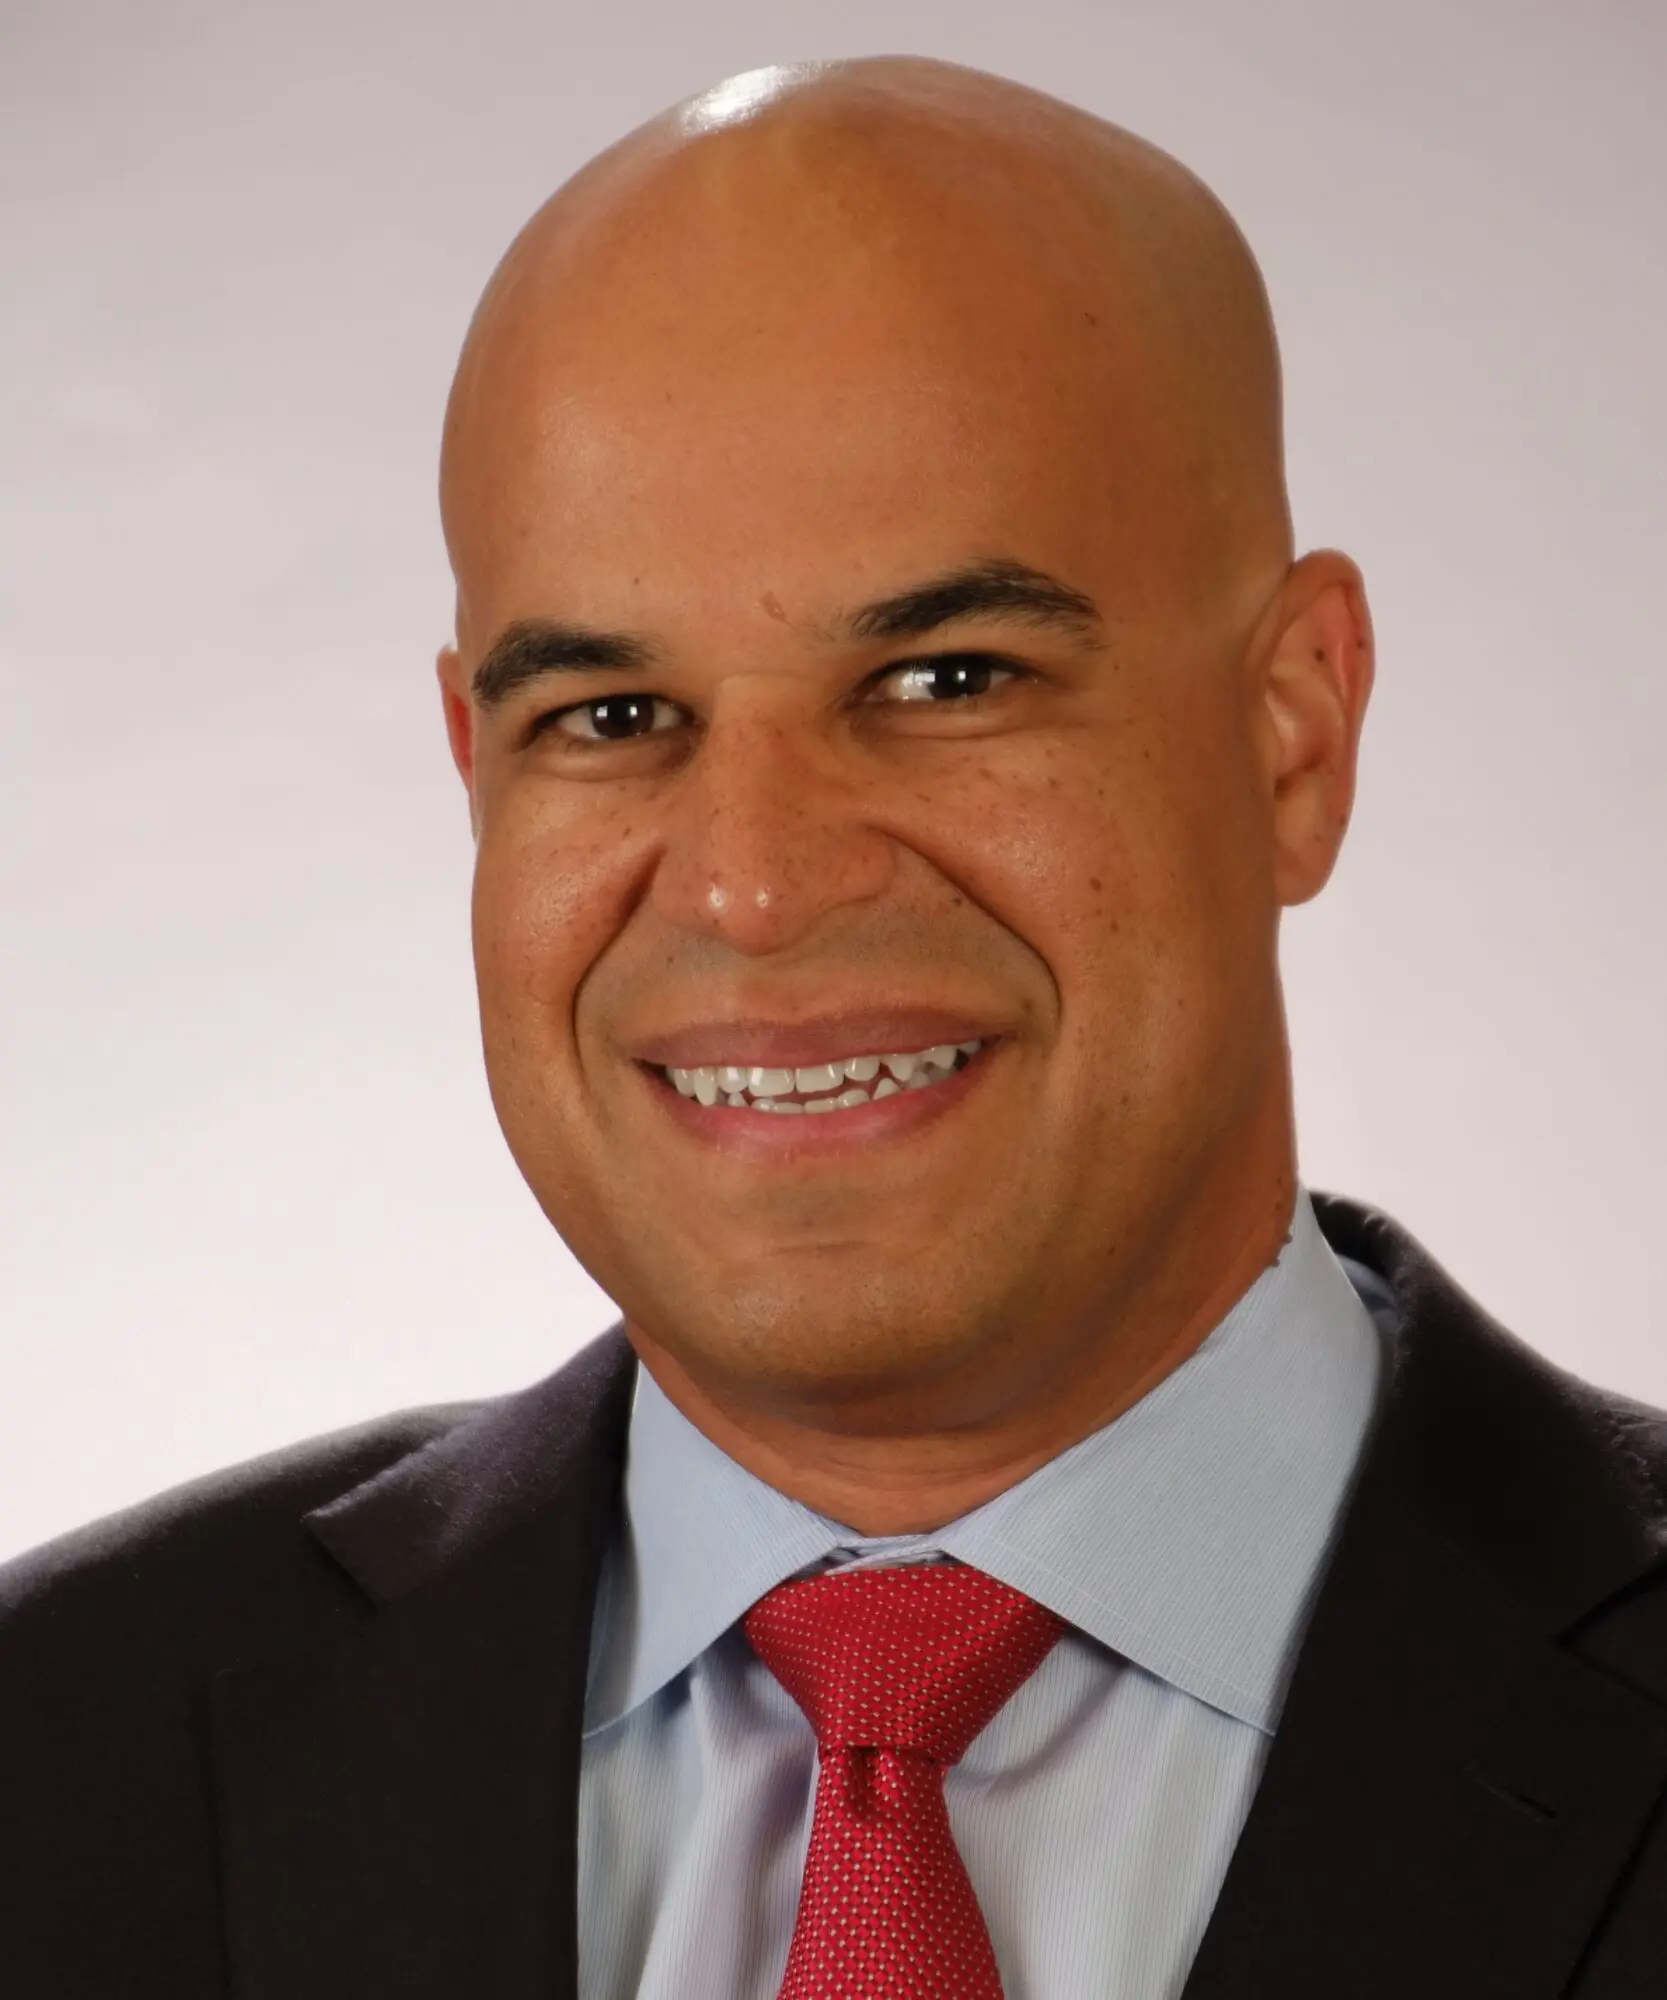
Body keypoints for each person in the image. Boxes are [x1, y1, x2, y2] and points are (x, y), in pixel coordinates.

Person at [3, 54, 1665, 2000]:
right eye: (608, 718)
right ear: (473, 767)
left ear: (1288, 734)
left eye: (944, 675)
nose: (753, 883)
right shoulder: (51, 1764)